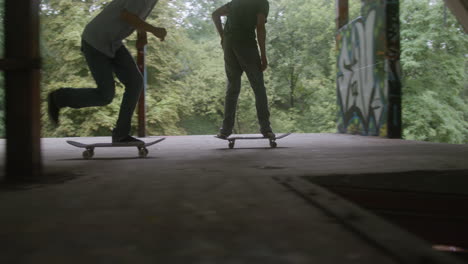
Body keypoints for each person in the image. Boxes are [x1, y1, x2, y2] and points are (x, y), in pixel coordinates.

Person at [47, 0, 166, 143]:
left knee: (135, 82)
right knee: (105, 95)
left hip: (113, 43)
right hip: (95, 41)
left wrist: (142, 33)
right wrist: (153, 29)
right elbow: (127, 15)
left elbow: (136, 15)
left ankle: (121, 135)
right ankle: (59, 98)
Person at [212, 0, 275, 139]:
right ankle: (266, 128)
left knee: (232, 87)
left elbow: (215, 14)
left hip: (229, 44)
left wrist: (223, 37)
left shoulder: (236, 2)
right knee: (258, 86)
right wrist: (263, 55)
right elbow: (260, 28)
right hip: (246, 43)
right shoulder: (261, 3)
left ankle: (225, 130)